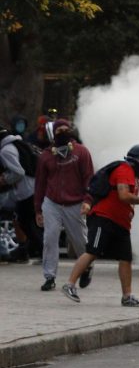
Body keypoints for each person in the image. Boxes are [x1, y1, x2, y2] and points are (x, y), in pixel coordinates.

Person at [62, 144, 139, 306]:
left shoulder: (134, 177)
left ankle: (127, 296)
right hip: (104, 219)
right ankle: (69, 285)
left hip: (121, 223)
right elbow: (123, 195)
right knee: (92, 251)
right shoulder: (124, 170)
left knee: (126, 258)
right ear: (136, 159)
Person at [34, 120, 93, 291]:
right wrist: (38, 209)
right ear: (53, 133)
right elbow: (40, 184)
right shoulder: (46, 156)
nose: (63, 132)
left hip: (75, 203)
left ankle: (86, 267)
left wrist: (88, 201)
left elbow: (89, 178)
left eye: (66, 129)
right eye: (59, 130)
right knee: (49, 238)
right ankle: (49, 276)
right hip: (52, 203)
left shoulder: (81, 152)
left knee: (80, 241)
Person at [0, 126, 44, 258]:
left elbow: (18, 172)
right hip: (32, 187)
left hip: (26, 191)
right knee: (26, 222)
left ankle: (41, 250)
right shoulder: (15, 144)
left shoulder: (5, 151)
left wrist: (4, 179)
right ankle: (28, 250)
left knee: (25, 222)